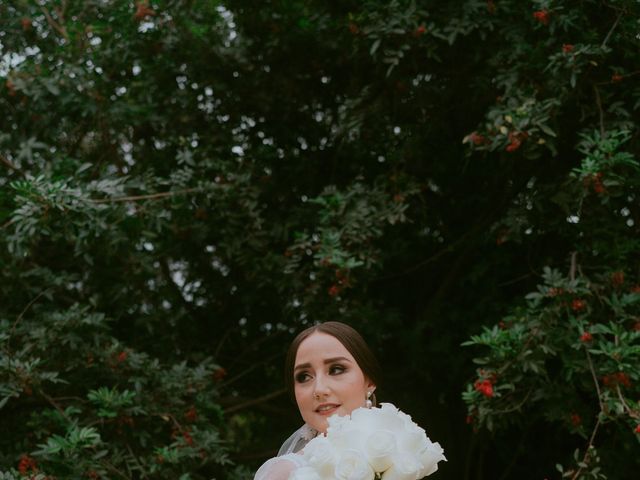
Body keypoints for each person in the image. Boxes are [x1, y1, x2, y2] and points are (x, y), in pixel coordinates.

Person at [254, 321, 383, 480]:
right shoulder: (284, 474)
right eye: (304, 377)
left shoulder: (405, 450)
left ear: (369, 381)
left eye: (336, 369)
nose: (319, 390)